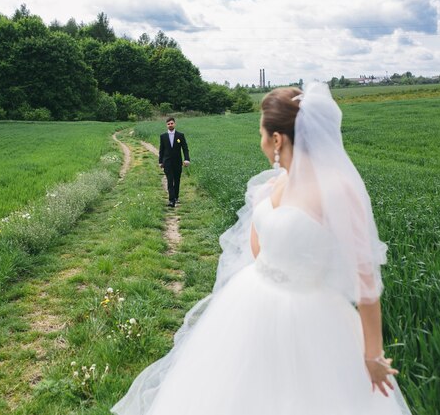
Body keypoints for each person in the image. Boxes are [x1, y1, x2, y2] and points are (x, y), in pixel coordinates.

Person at [112, 83, 411, 415]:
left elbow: (365, 279)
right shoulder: (275, 183)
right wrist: (260, 206)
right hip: (251, 300)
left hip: (310, 317)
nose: (261, 143)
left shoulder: (337, 191)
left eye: (262, 135)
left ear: (278, 139)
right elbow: (260, 252)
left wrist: (372, 355)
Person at [158, 117, 190, 207]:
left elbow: (185, 148)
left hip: (177, 162)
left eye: (172, 123)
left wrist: (187, 159)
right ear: (166, 125)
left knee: (177, 180)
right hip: (167, 162)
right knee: (170, 180)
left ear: (174, 124)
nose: (170, 125)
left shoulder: (180, 135)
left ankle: (176, 197)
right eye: (168, 124)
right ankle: (171, 200)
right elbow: (161, 149)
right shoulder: (163, 136)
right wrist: (160, 161)